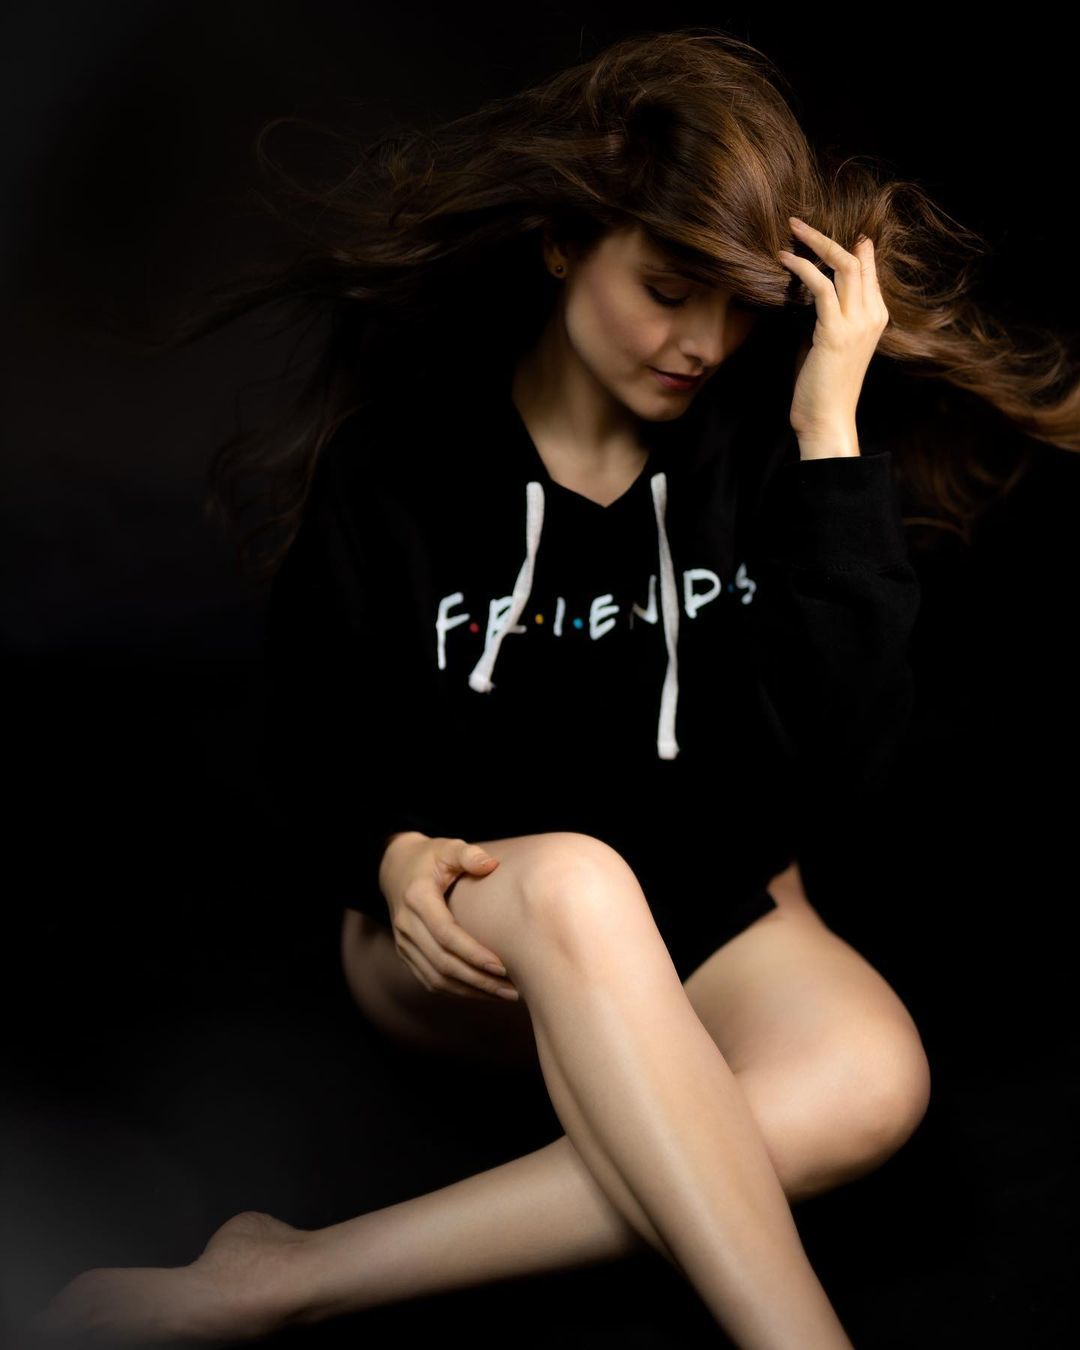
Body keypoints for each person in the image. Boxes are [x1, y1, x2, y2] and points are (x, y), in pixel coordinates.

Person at [30, 25, 1077, 1349]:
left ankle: (286, 1276)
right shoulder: (402, 461)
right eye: (669, 289)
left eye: (739, 307)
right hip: (475, 929)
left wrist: (829, 433)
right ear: (566, 242)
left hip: (715, 916)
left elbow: (846, 760)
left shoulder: (767, 448)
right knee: (582, 879)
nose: (702, 342)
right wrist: (390, 853)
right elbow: (307, 735)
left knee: (872, 1081)